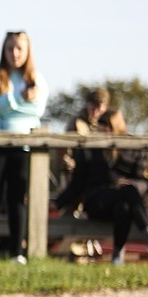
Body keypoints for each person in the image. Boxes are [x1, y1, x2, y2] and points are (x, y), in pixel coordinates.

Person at [0, 31, 47, 264]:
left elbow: (36, 110)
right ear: (3, 50)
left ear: (27, 51)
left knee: (18, 198)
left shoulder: (36, 78)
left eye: (19, 48)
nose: (14, 53)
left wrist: (4, 104)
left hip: (22, 147)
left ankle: (18, 252)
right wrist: (17, 100)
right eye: (10, 48)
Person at [54, 108, 148, 265]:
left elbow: (143, 181)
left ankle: (117, 257)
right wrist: (57, 203)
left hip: (125, 201)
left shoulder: (132, 148)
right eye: (101, 126)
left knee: (124, 203)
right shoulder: (91, 149)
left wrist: (129, 184)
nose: (104, 131)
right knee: (126, 195)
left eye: (108, 127)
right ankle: (143, 234)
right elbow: (78, 183)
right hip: (98, 201)